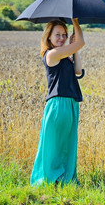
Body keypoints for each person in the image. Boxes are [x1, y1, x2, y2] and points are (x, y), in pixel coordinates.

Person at [30, 18, 85, 186]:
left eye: (64, 34)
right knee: (52, 146)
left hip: (70, 104)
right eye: (57, 35)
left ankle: (62, 181)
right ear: (49, 38)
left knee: (67, 145)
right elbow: (82, 42)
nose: (61, 38)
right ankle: (47, 181)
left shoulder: (64, 56)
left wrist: (73, 46)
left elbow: (78, 71)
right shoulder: (52, 54)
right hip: (58, 104)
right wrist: (76, 23)